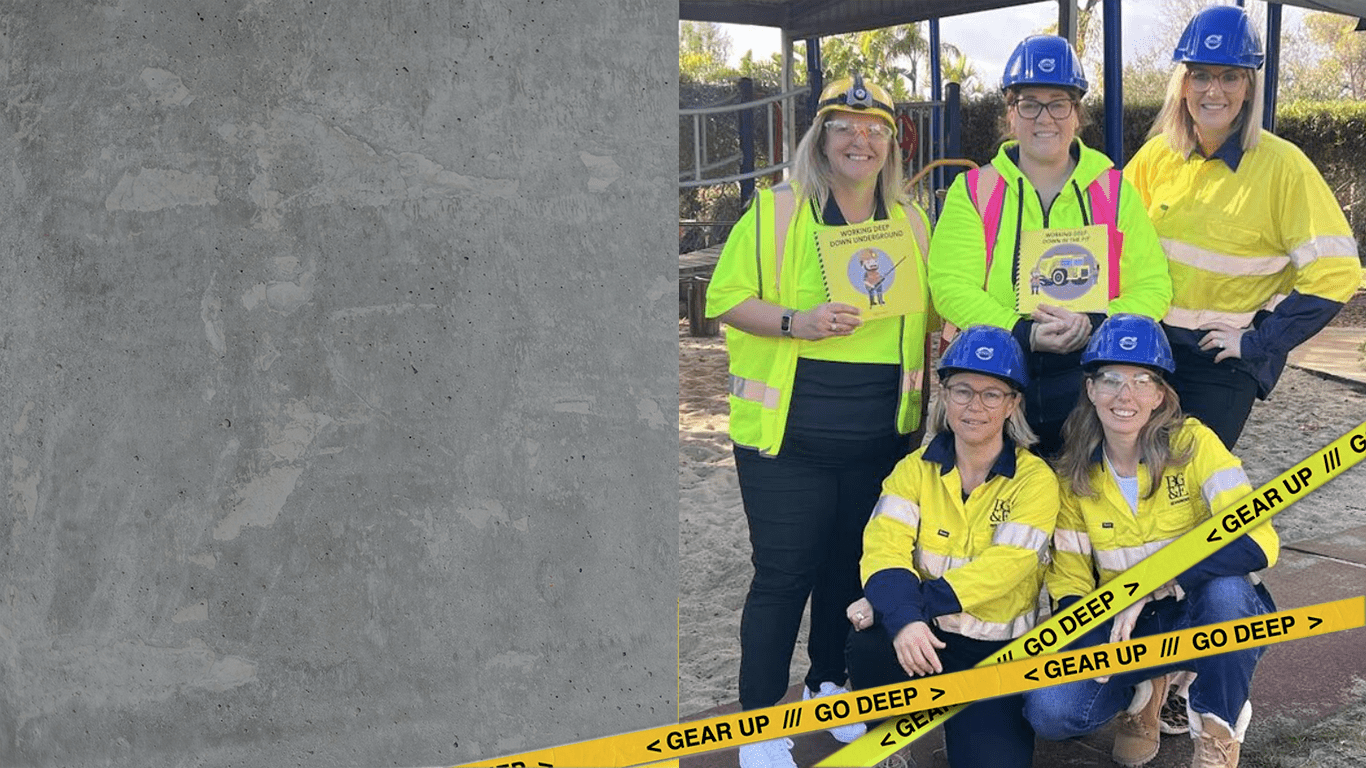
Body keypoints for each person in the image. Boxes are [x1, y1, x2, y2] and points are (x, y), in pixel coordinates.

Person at [703, 73, 934, 768]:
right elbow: (725, 298)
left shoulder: (912, 221)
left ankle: (828, 683)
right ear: (821, 137)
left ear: (891, 143)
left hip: (882, 434)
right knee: (783, 575)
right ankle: (759, 721)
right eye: (844, 127)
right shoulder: (777, 211)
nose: (860, 140)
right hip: (788, 440)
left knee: (849, 569)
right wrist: (795, 322)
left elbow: (930, 312)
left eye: (875, 130)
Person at [1023, 313, 1278, 768]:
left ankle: (1216, 729)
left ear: (1160, 395)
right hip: (1127, 626)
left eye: (1142, 381)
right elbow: (1070, 585)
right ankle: (1145, 690)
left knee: (1227, 594)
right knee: (1051, 711)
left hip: (1197, 611)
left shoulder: (1195, 444)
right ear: (1090, 389)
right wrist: (1090, 650)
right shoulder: (1072, 474)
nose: (1126, 395)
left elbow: (1258, 541)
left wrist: (1154, 580)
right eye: (1111, 380)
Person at [1126, 4, 1360, 450]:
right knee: (1132, 469)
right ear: (1183, 84)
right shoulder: (1156, 157)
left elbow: (1336, 273)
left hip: (1220, 363)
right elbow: (1111, 240)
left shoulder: (1284, 167)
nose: (1213, 90)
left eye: (1229, 76)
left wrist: (1259, 342)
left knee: (1190, 475)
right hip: (1150, 351)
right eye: (1200, 75)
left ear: (1249, 87)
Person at [928, 34, 1171, 458]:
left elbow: (1153, 286)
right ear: (1010, 113)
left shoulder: (1115, 192)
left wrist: (1096, 323)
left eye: (1059, 104)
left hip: (1087, 376)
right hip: (995, 374)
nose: (1045, 118)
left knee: (1085, 492)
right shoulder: (974, 190)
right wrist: (1023, 332)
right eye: (1029, 104)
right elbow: (950, 284)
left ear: (1077, 114)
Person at [846, 325, 1057, 768]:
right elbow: (883, 547)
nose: (974, 406)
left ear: (1013, 403)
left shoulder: (1035, 480)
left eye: (991, 394)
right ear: (944, 394)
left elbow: (1005, 568)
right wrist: (903, 619)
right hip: (926, 637)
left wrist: (906, 606)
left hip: (994, 652)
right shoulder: (913, 470)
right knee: (869, 641)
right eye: (962, 390)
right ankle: (888, 739)